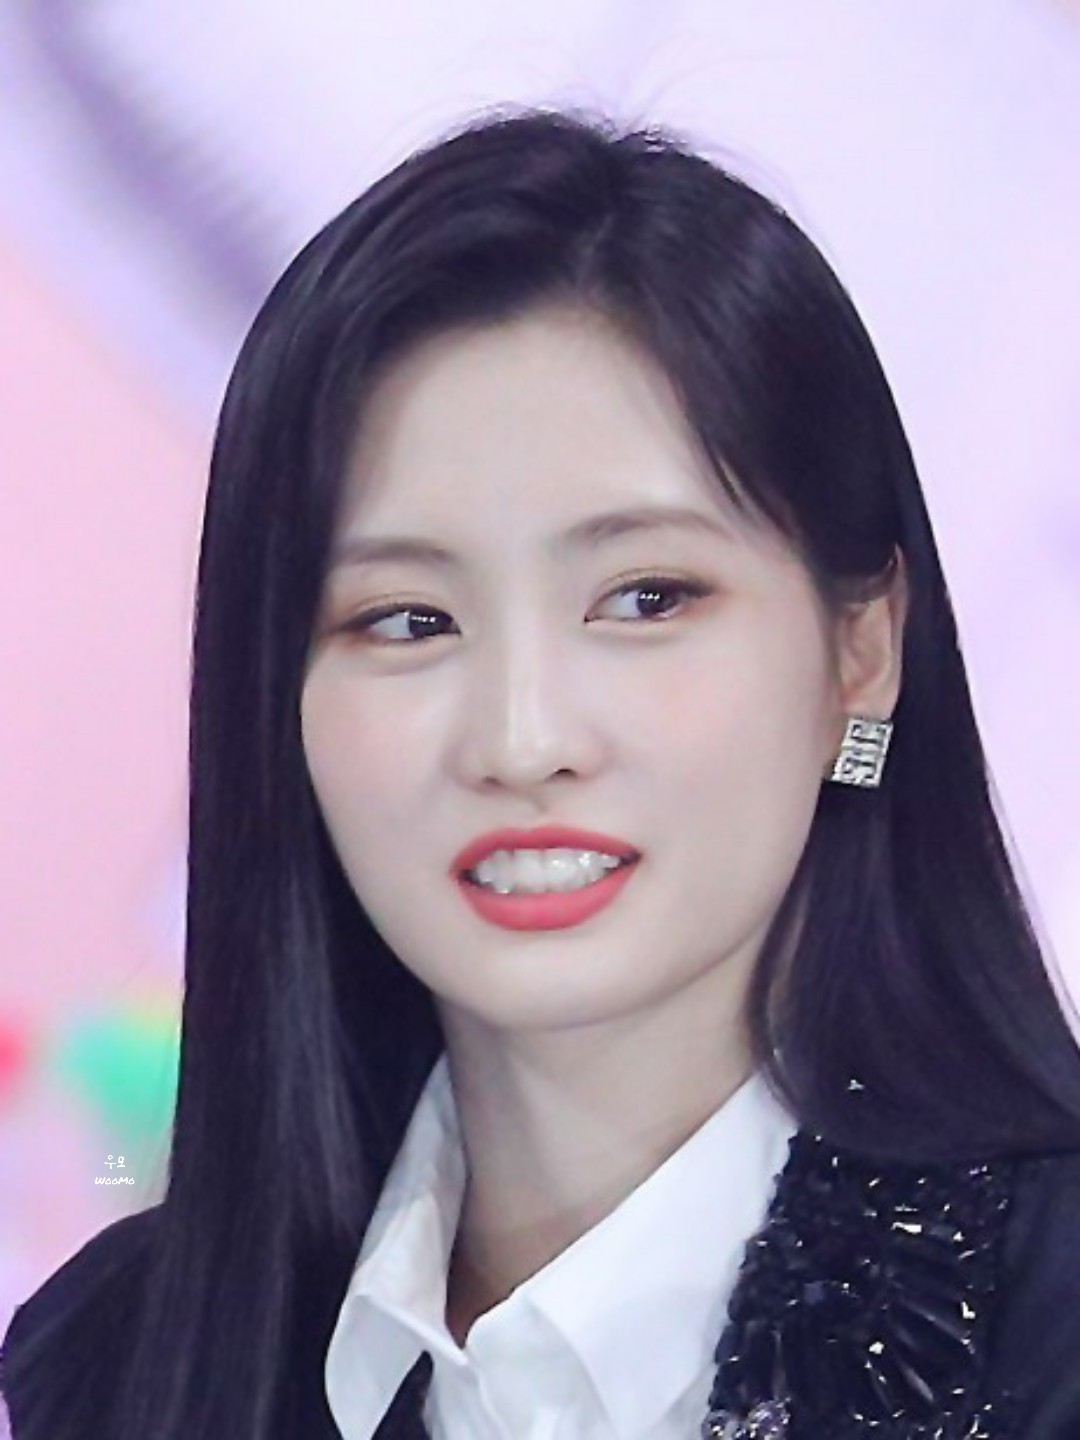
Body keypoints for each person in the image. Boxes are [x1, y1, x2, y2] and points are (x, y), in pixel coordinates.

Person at [3, 107, 1080, 1440]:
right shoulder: (115, 1363)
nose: (520, 741)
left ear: (862, 652)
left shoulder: (1045, 1325)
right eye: (407, 620)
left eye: (644, 598)